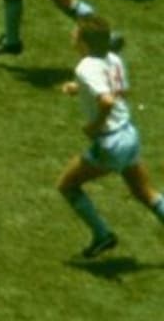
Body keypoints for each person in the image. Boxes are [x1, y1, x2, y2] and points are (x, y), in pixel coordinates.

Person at [56, 14, 164, 258]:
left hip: (111, 141)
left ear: (84, 41)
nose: (72, 35)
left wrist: (94, 126)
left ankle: (102, 234)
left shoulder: (85, 66)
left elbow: (106, 101)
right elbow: (120, 90)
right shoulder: (113, 59)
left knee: (67, 185)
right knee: (146, 193)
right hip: (129, 134)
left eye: (75, 32)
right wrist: (79, 88)